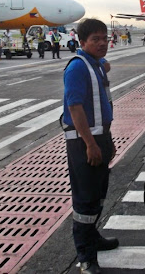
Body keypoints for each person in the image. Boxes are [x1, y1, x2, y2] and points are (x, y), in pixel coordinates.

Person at [62, 19, 118, 274]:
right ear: (82, 42)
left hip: (100, 138)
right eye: (95, 39)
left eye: (104, 38)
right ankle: (85, 257)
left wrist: (108, 141)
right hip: (84, 142)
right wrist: (90, 144)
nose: (102, 43)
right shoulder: (77, 68)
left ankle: (93, 238)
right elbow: (74, 108)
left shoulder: (96, 66)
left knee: (98, 193)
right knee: (85, 200)